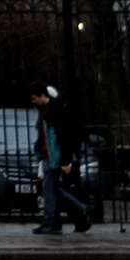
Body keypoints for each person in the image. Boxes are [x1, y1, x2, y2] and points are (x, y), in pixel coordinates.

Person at [32, 87, 91, 235]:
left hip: (55, 156)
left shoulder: (54, 112)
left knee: (52, 189)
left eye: (34, 98)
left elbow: (62, 136)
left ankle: (60, 218)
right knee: (53, 189)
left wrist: (66, 160)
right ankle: (59, 219)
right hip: (53, 156)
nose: (33, 102)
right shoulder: (48, 111)